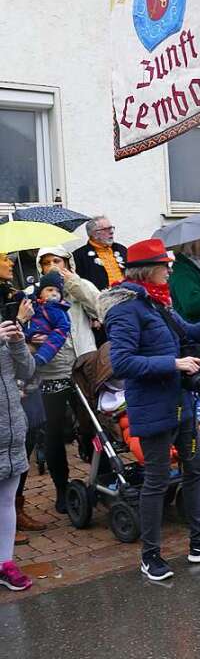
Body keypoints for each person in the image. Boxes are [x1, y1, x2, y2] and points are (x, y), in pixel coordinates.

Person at [100, 238, 200, 582]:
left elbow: (186, 330)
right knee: (157, 482)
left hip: (181, 405)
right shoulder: (125, 309)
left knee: (196, 469)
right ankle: (150, 556)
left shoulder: (156, 302)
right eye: (165, 265)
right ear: (148, 270)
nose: (170, 269)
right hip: (153, 409)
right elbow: (122, 362)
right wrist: (173, 363)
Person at [22, 271, 78, 513]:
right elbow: (21, 331)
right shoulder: (31, 305)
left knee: (92, 428)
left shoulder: (73, 296)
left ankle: (102, 477)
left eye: (57, 261)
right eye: (46, 263)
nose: (53, 293)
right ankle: (62, 489)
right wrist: (31, 339)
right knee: (53, 434)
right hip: (48, 375)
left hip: (77, 370)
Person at [0, 311, 36, 591]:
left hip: (11, 430)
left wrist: (18, 343)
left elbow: (26, 372)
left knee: (7, 501)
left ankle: (5, 563)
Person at [37, 246, 99, 358]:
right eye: (46, 263)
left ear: (66, 263)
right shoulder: (35, 291)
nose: (52, 266)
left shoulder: (83, 283)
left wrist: (74, 284)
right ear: (41, 268)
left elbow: (99, 309)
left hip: (85, 352)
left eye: (56, 261)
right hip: (56, 359)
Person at [169, 240, 200, 322]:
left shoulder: (191, 266)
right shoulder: (183, 272)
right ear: (193, 244)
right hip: (197, 328)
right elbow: (193, 304)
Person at [73, 215, 127, 290]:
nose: (111, 232)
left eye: (111, 228)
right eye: (106, 229)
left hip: (127, 296)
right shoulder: (79, 256)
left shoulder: (121, 249)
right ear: (94, 234)